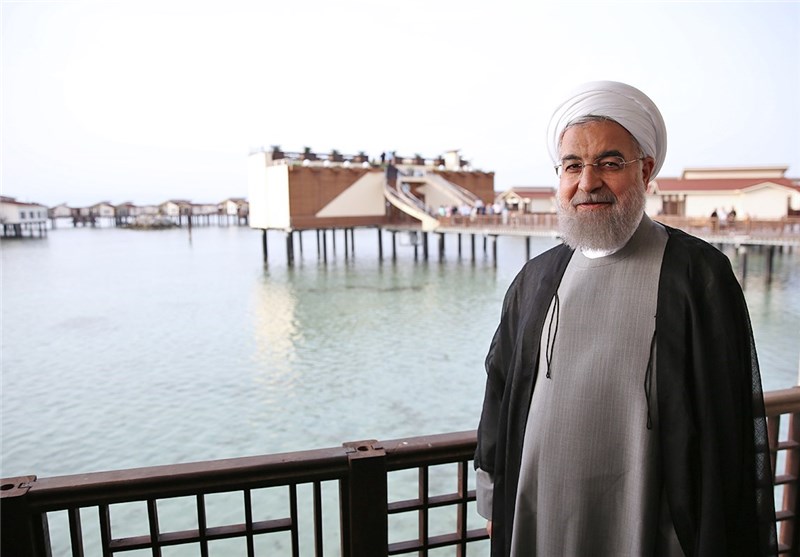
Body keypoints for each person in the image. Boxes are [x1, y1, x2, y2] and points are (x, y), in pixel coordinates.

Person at [474, 81, 776, 556]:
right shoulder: (535, 280)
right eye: (573, 165)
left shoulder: (698, 276)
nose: (588, 182)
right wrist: (493, 500)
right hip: (539, 514)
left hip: (652, 527)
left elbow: (726, 429)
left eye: (610, 163)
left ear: (646, 170)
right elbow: (499, 394)